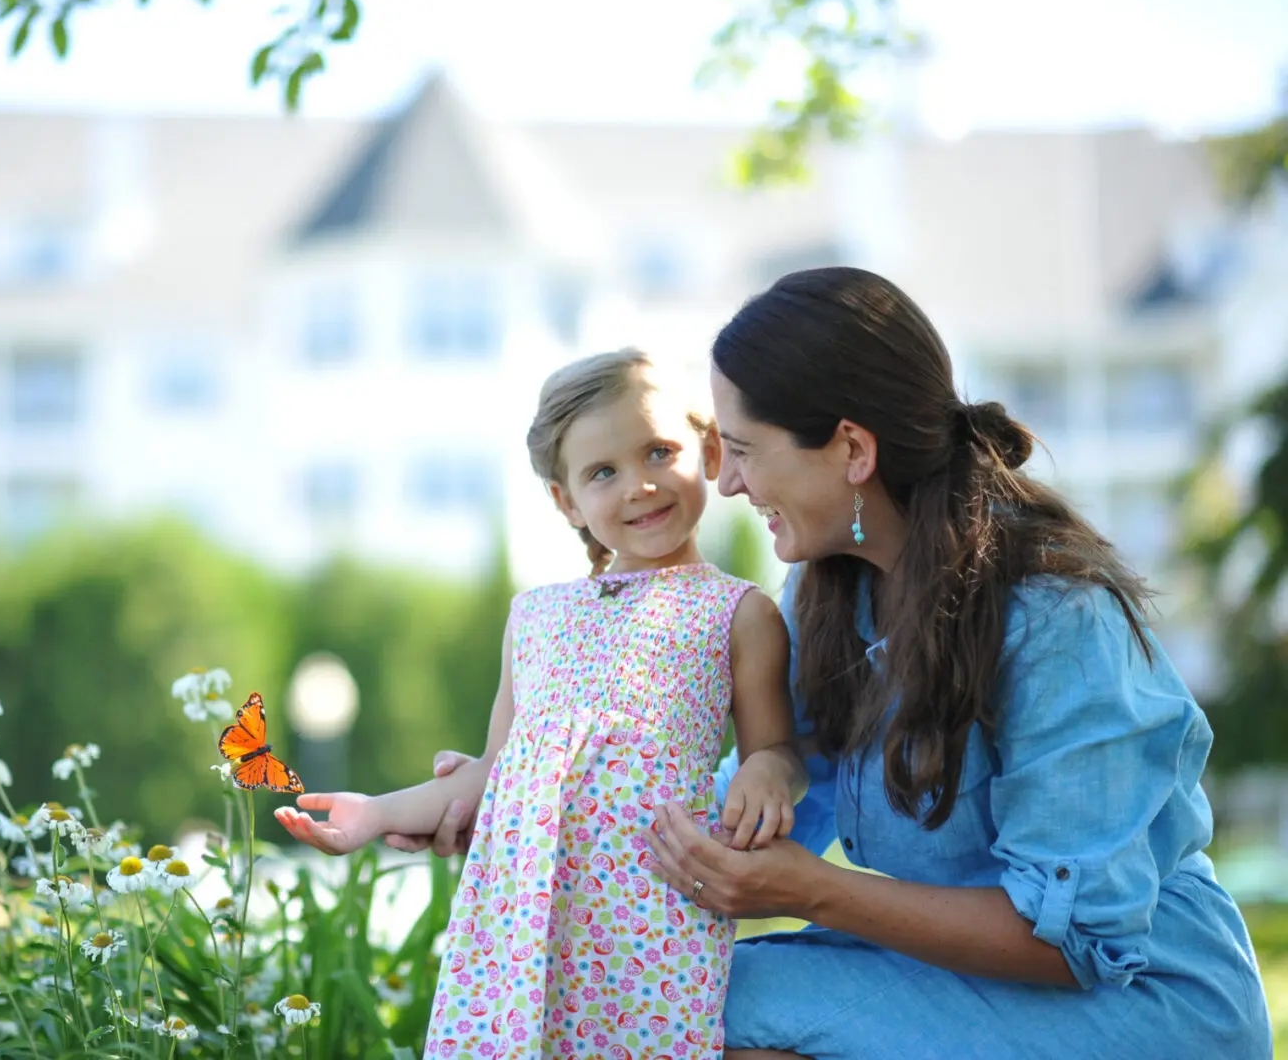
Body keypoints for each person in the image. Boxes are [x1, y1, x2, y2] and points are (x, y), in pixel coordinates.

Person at [399, 268, 1274, 1059]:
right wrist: (541, 811)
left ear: (852, 450)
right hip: (955, 974)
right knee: (650, 1003)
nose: (728, 484)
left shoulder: (1053, 621)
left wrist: (814, 892)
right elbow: (758, 807)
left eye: (743, 450)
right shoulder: (826, 600)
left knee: (698, 1017)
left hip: (1137, 1000)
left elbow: (1077, 938)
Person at [274, 347, 807, 1057]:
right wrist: (375, 813)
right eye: (602, 472)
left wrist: (767, 770)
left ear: (709, 453)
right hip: (522, 931)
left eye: (658, 452)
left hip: (653, 924)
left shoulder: (739, 612)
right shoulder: (533, 617)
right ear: (566, 501)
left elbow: (777, 749)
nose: (640, 485)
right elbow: (489, 773)